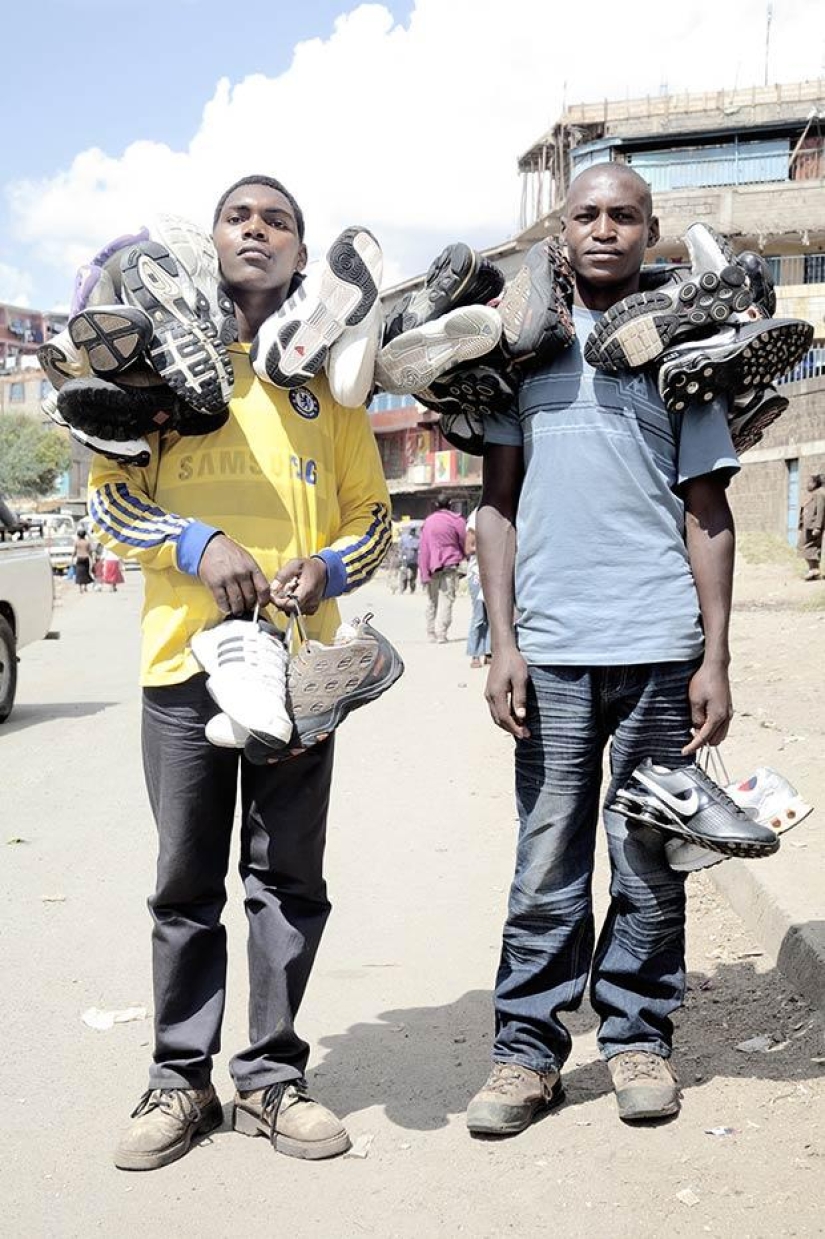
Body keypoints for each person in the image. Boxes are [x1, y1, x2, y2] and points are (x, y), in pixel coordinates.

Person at [87, 175, 391, 1170]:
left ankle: (270, 1080)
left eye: (280, 221)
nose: (258, 230)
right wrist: (195, 542)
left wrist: (326, 567)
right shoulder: (161, 366)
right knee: (184, 882)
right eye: (239, 217)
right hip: (184, 668)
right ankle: (180, 1084)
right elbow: (111, 498)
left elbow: (374, 520)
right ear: (208, 241)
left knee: (287, 879)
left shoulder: (330, 382)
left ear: (303, 255)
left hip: (301, 673)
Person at [467, 162, 740, 1135]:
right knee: (546, 859)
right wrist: (504, 642)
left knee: (648, 859)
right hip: (554, 646)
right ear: (562, 227)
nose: (606, 229)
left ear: (652, 231)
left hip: (663, 647)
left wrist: (716, 656)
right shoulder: (517, 350)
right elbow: (493, 507)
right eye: (587, 213)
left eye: (626, 216)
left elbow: (708, 510)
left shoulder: (684, 353)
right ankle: (525, 1055)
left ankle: (636, 1039)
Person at [418, 494, 466, 643]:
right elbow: (465, 540)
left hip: (432, 567)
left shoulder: (429, 522)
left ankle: (430, 633)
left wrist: (424, 572)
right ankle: (441, 634)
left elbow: (424, 548)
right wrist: (465, 556)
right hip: (450, 566)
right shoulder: (456, 520)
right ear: (450, 504)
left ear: (436, 505)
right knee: (447, 600)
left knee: (432, 601)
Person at [465, 508, 491, 668]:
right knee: (479, 617)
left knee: (493, 616)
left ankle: (489, 652)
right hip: (477, 574)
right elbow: (468, 548)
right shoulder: (476, 517)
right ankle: (475, 654)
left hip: (494, 573)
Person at [798, 473, 824, 581]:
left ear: (815, 483)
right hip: (810, 524)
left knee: (805, 545)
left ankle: (814, 569)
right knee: (809, 547)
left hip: (813, 525)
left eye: (809, 482)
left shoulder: (819, 493)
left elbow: (820, 511)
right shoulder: (815, 493)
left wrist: (817, 526)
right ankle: (814, 570)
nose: (807, 485)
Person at [397, 522, 420, 594]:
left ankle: (412, 588)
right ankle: (403, 588)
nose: (412, 531)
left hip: (414, 559)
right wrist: (400, 555)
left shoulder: (418, 539)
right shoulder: (404, 537)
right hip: (405, 559)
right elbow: (400, 546)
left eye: (414, 530)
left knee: (413, 575)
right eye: (411, 529)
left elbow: (420, 548)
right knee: (404, 574)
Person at [72, 526, 94, 593]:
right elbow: (90, 551)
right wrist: (92, 558)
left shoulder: (76, 542)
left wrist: (72, 558)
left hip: (79, 558)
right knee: (86, 572)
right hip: (86, 558)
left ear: (78, 535)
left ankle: (80, 588)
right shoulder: (87, 542)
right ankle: (85, 587)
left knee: (79, 573)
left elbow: (74, 551)